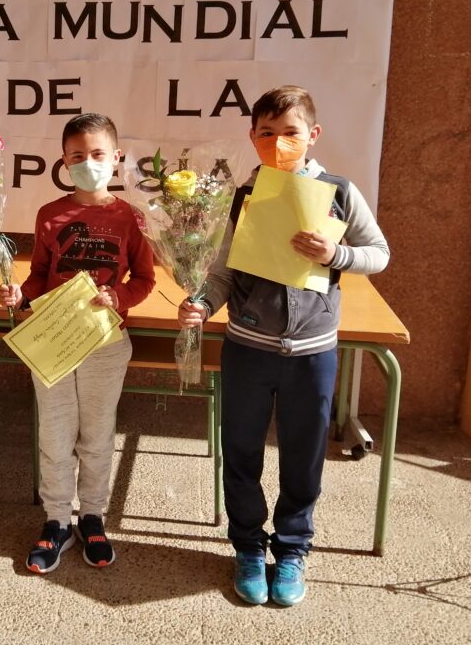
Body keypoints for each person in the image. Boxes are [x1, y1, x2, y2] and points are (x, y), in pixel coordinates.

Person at [178, 86, 390, 606]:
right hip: (248, 348)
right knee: (241, 452)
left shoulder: (339, 192)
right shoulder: (242, 196)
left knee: (304, 457)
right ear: (252, 137)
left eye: (290, 132)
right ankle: (249, 546)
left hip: (313, 354)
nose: (278, 143)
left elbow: (378, 253)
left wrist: (336, 255)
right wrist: (202, 303)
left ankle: (292, 549)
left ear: (312, 135)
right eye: (266, 133)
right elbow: (222, 272)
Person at [0, 113, 155, 574]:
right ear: (64, 162)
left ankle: (92, 517)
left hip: (106, 342)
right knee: (55, 434)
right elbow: (39, 274)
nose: (88, 163)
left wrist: (119, 297)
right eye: (78, 156)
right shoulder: (50, 214)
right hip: (55, 340)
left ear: (116, 158)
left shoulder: (130, 216)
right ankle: (55, 520)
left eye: (98, 154)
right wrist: (21, 294)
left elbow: (145, 279)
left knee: (98, 435)